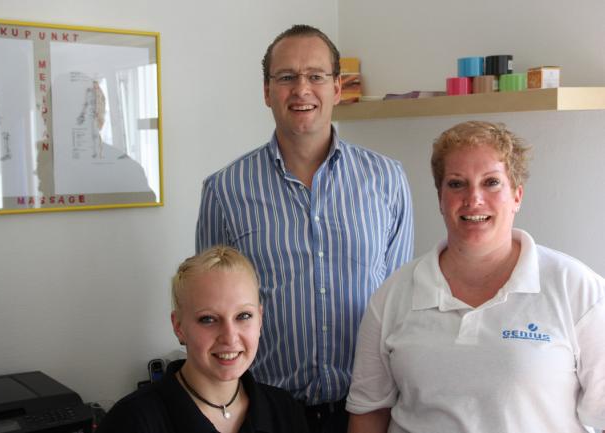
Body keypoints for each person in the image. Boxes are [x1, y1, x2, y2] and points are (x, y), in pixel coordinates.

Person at [195, 24, 414, 433]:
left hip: (366, 409)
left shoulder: (387, 181)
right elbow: (207, 311)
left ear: (337, 87)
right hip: (264, 411)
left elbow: (399, 306)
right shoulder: (225, 190)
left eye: (316, 75)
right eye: (286, 77)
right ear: (267, 91)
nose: (301, 89)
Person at [346, 121, 605, 433]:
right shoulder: (392, 295)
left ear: (517, 196)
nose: (473, 199)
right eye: (457, 184)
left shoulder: (577, 290)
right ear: (440, 198)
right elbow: (369, 412)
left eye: (491, 183)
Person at [96, 246, 309, 433]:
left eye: (243, 316)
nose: (229, 337)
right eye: (208, 319)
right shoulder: (131, 421)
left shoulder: (285, 411)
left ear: (260, 319)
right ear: (178, 326)